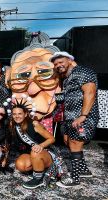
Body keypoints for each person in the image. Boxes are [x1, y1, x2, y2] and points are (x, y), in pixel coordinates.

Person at [50, 51, 99, 188]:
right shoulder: (66, 77)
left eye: (61, 62)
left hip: (83, 117)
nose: (58, 65)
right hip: (70, 117)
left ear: (70, 61)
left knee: (75, 143)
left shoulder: (83, 72)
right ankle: (84, 170)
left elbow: (90, 92)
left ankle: (75, 178)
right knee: (69, 142)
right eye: (56, 64)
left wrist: (83, 116)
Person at [10, 102, 56, 189]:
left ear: (26, 114)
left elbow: (52, 139)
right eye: (14, 114)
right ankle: (40, 169)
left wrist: (41, 146)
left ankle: (38, 179)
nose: (17, 116)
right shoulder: (14, 125)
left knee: (35, 151)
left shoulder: (35, 124)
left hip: (47, 153)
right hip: (33, 154)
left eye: (20, 113)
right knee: (21, 165)